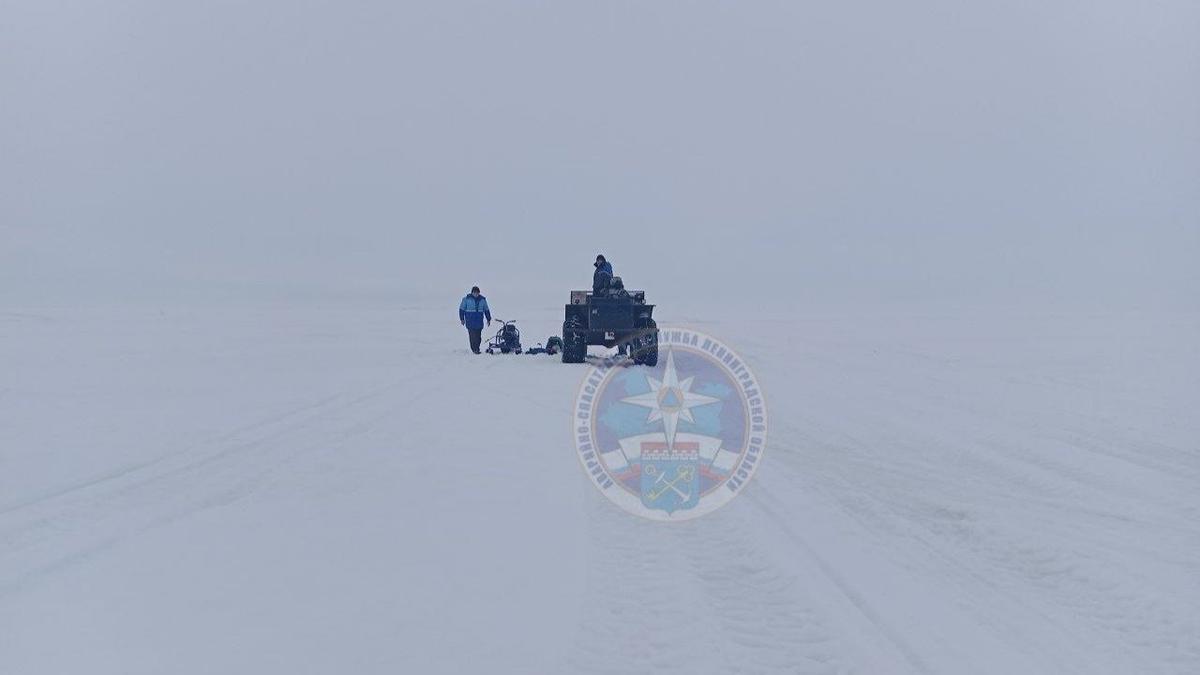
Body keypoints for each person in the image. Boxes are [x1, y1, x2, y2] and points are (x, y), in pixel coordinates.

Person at [458, 286, 491, 354]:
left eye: (477, 293)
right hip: (470, 321)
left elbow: (486, 310)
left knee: (478, 337)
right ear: (472, 292)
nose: (476, 294)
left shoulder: (483, 300)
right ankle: (475, 349)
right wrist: (462, 319)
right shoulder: (466, 299)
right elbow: (461, 309)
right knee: (472, 336)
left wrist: (488, 319)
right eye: (474, 292)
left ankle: (477, 348)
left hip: (479, 322)